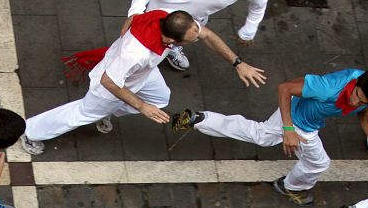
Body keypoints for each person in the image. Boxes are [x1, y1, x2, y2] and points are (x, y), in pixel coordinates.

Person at [21, 10, 266, 156]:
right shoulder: (134, 53)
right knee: (82, 113)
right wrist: (141, 107)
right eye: (188, 42)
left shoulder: (167, 19)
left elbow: (208, 35)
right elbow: (110, 81)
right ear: (170, 38)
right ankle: (31, 131)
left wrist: (237, 63)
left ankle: (109, 112)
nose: (196, 38)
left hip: (143, 74)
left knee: (160, 99)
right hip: (112, 83)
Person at [170, 69, 368, 206]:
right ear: (356, 83)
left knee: (261, 135)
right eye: (356, 95)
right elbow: (285, 88)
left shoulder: (366, 93)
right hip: (300, 122)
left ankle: (199, 119)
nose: (355, 102)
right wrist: (289, 130)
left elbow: (364, 113)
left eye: (362, 101)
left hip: (305, 121)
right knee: (319, 162)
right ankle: (290, 187)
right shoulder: (328, 89)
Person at [125, 0, 268, 71]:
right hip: (157, 14)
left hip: (193, 20)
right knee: (137, 58)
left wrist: (248, 31)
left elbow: (258, 7)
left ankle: (170, 49)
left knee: (185, 37)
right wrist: (136, 12)